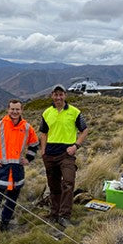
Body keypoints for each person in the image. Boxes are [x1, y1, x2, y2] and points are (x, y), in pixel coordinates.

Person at [0, 99, 39, 232]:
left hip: (17, 171)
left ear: (21, 110)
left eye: (17, 109)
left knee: (11, 202)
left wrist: (29, 158)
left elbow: (34, 144)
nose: (15, 111)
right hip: (1, 171)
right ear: (8, 110)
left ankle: (5, 224)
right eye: (12, 109)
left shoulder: (27, 128)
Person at [39, 84, 88, 227]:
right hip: (50, 155)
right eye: (56, 94)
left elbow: (84, 130)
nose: (58, 97)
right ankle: (54, 213)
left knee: (68, 182)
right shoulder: (47, 113)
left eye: (61, 94)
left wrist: (76, 146)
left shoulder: (75, 112)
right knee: (53, 186)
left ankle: (64, 216)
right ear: (52, 96)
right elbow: (43, 133)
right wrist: (43, 152)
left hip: (67, 154)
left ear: (65, 95)